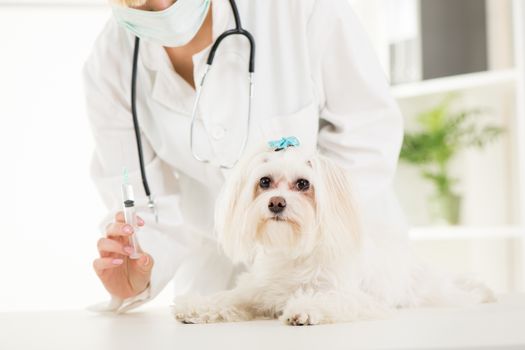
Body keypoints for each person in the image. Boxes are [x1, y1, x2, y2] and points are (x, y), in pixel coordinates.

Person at [84, 0, 407, 313]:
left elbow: (368, 132)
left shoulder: (298, 8)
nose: (162, 8)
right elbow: (142, 207)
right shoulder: (111, 62)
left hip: (338, 274)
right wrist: (138, 274)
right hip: (219, 280)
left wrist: (317, 231)